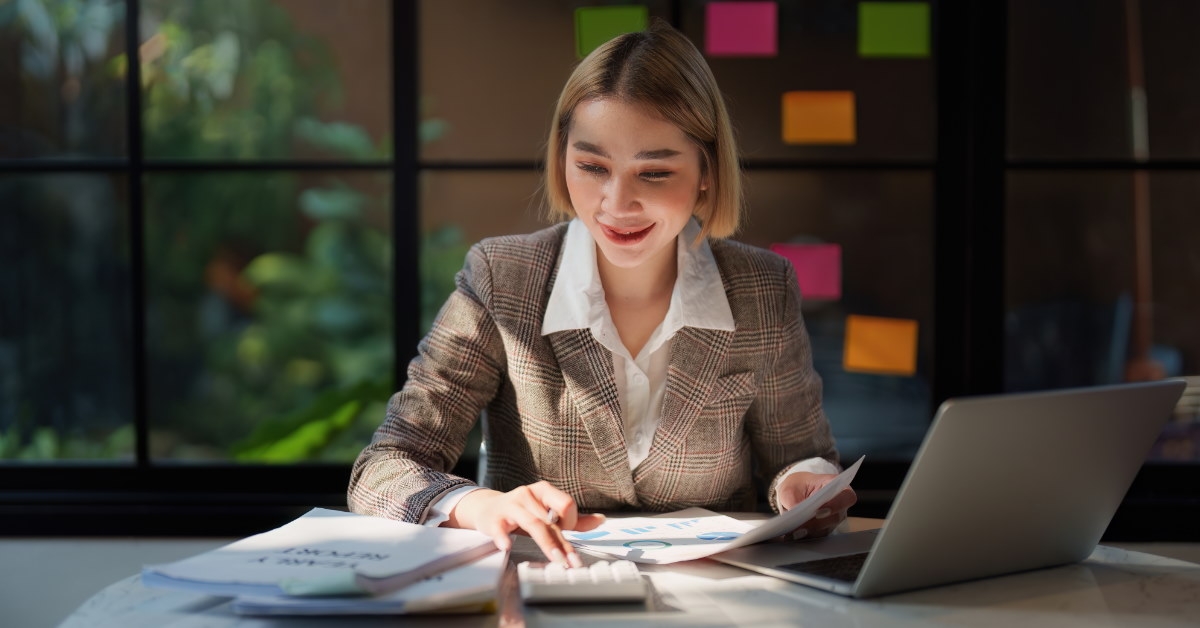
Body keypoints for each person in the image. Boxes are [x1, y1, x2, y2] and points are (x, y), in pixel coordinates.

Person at [348, 20, 855, 568]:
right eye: (591, 167)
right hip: (541, 590)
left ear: (706, 172)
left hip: (717, 598)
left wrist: (806, 486)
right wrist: (474, 503)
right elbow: (383, 469)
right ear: (562, 158)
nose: (617, 203)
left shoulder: (762, 287)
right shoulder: (503, 277)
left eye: (655, 173)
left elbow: (801, 460)